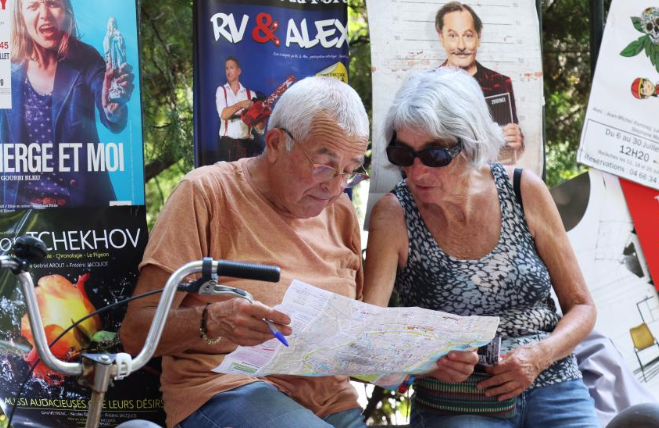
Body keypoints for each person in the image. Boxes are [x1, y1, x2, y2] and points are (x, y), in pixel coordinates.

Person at [120, 76, 476, 428]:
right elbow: (135, 331)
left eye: (350, 172)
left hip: (330, 401)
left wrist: (428, 360)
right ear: (275, 143)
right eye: (324, 166)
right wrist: (212, 319)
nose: (335, 187)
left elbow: (354, 349)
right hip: (229, 390)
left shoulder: (340, 213)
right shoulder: (206, 194)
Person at [364, 68, 599, 427]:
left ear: (470, 144)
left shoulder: (524, 190)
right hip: (460, 403)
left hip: (550, 381)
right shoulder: (394, 215)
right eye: (402, 154)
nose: (417, 171)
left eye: (435, 155)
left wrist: (538, 356)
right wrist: (427, 361)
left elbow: (582, 306)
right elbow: (370, 333)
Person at [0, 0, 134, 213]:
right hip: (23, 217)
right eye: (33, 6)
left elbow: (111, 113)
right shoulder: (2, 70)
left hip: (83, 214)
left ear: (66, 11)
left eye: (52, 3)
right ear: (20, 16)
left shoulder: (86, 58)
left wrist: (113, 106)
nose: (44, 15)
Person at [435, 1, 524, 160]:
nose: (461, 45)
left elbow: (513, 147)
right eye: (453, 36)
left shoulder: (500, 82)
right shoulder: (429, 85)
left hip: (487, 177)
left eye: (468, 36)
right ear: (441, 37)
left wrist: (517, 140)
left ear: (478, 37)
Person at [215, 56, 265, 162]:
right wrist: (242, 104)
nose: (228, 71)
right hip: (227, 144)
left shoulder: (250, 94)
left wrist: (262, 116)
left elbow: (259, 129)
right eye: (226, 68)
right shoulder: (221, 90)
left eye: (231, 67)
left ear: (239, 71)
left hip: (247, 145)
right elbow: (224, 115)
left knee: (245, 178)